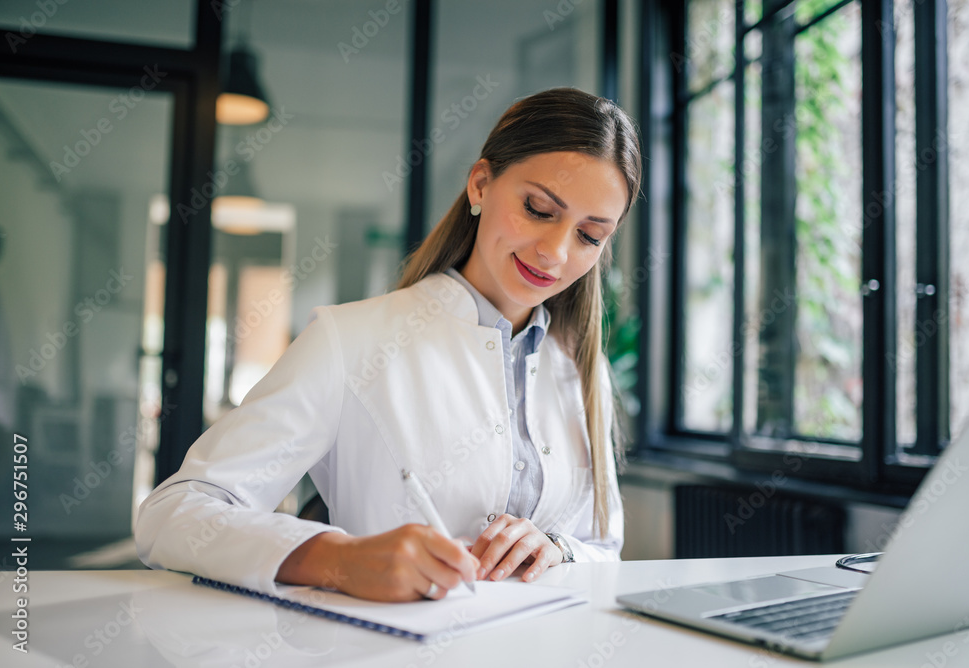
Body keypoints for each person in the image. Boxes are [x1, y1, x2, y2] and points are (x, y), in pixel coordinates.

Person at [135, 87, 642, 602]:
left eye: (589, 236)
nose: (555, 252)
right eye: (538, 209)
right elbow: (174, 516)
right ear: (481, 185)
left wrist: (557, 548)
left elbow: (605, 550)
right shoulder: (349, 341)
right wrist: (337, 559)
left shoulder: (581, 370)